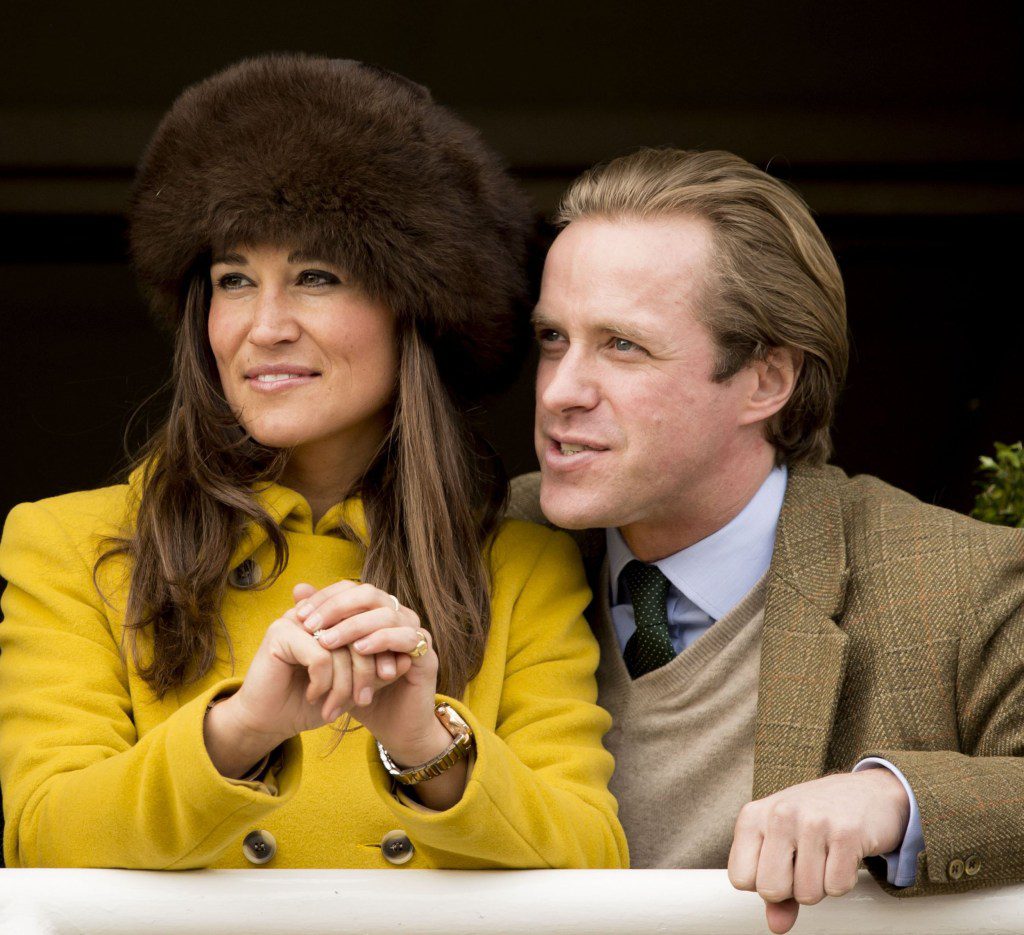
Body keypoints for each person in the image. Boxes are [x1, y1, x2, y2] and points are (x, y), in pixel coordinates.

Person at [0, 55, 627, 871]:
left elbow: (594, 858)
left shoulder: (522, 564)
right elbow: (43, 838)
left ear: (417, 309)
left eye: (317, 276)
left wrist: (421, 741)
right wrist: (243, 729)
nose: (264, 326)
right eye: (234, 279)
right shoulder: (66, 544)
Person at [511, 147, 1024, 931]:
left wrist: (895, 796)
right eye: (553, 338)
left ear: (765, 381)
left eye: (622, 345)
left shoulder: (958, 581)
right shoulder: (474, 543)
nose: (560, 390)